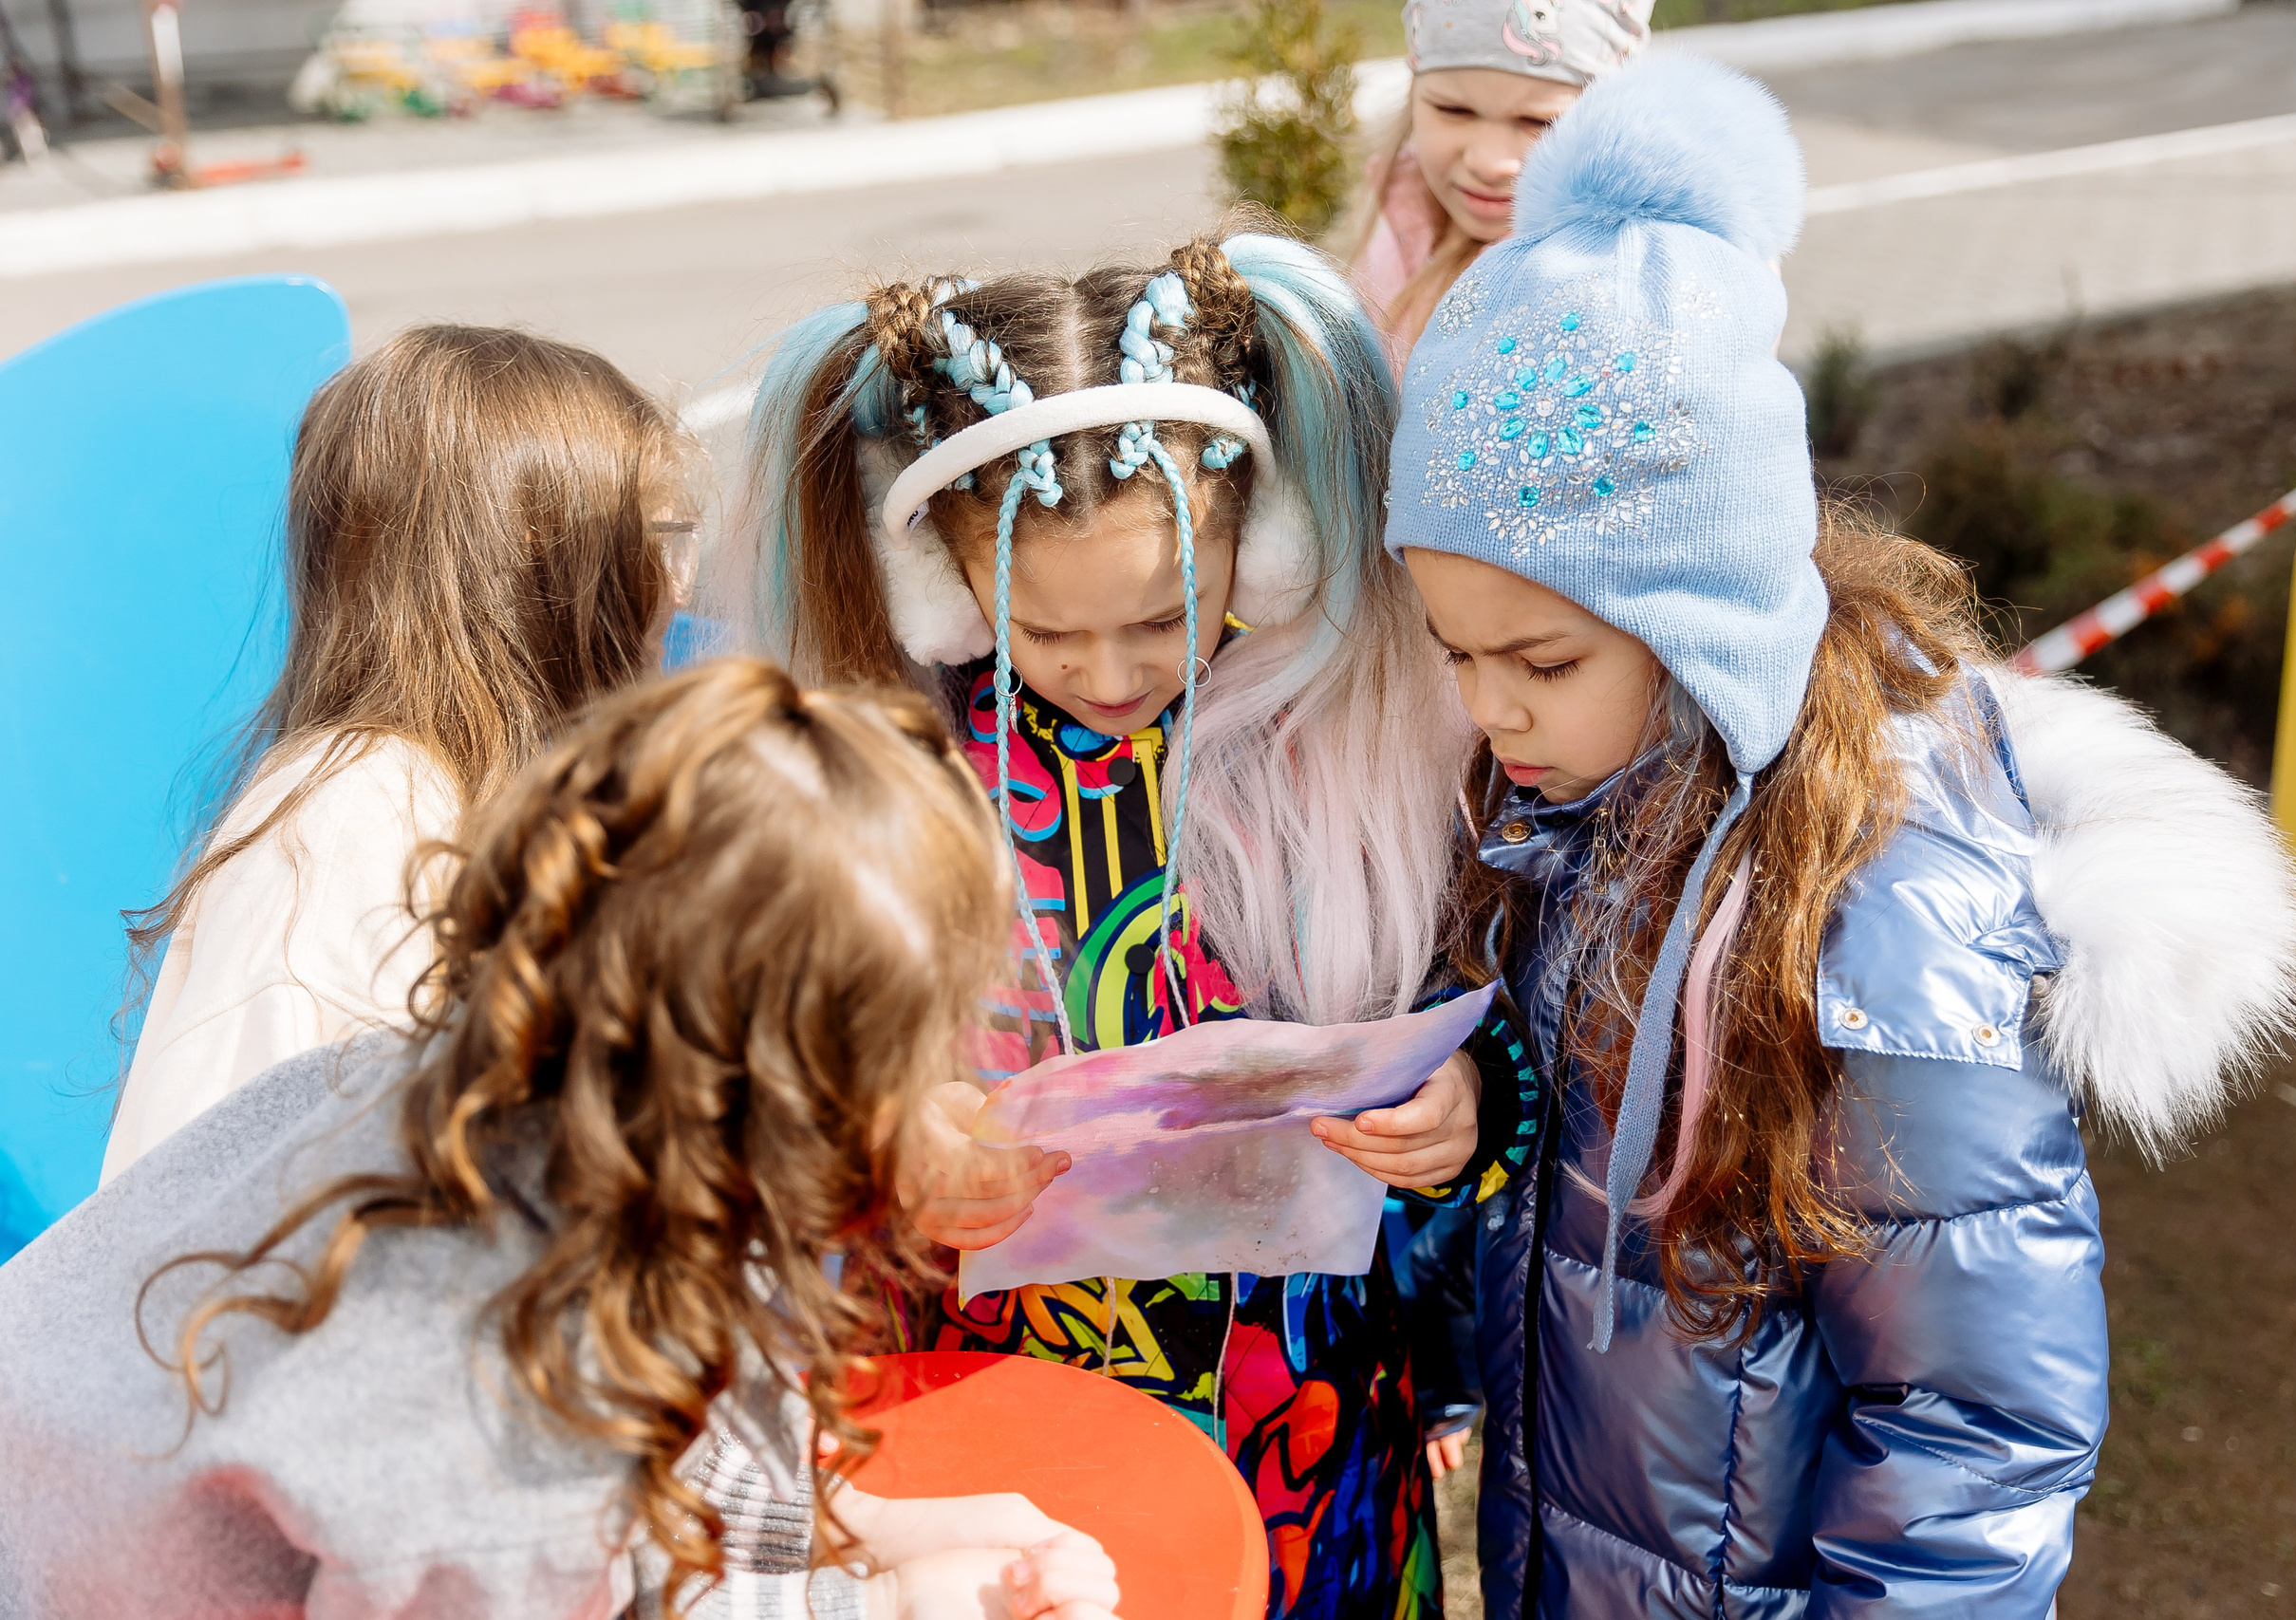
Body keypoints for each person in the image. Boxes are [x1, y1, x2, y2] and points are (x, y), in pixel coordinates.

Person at [1385, 56, 2296, 1616]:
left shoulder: (1877, 915)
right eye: (1452, 650)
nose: (1492, 712)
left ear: (1701, 617)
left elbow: (1978, 1420)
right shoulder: (1591, 810)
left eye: (1542, 662)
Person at [745, 231, 1540, 1617]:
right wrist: (891, 1143)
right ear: (939, 584)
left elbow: (1482, 1002)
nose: (1109, 675)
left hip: (1313, 1437)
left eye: (1166, 616)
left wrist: (1474, 1109)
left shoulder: (1337, 749)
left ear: (1272, 545)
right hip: (997, 1453)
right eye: (1046, 634)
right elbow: (766, 1097)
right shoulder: (890, 779)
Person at [0, 661, 1125, 1620]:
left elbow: (651, 1456)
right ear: (805, 1101)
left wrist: (849, 1535)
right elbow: (536, 1513)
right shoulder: (498, 1429)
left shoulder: (422, 1089)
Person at [103, 326, 700, 1184]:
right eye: (661, 535)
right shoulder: (357, 819)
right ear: (539, 553)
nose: (679, 586)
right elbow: (210, 1226)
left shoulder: (462, 798)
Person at [1344, 0, 1654, 363]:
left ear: (1607, 121)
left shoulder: (1595, 294)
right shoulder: (1400, 225)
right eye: (1454, 110)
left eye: (1541, 122)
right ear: (1414, 97)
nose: (1489, 163)